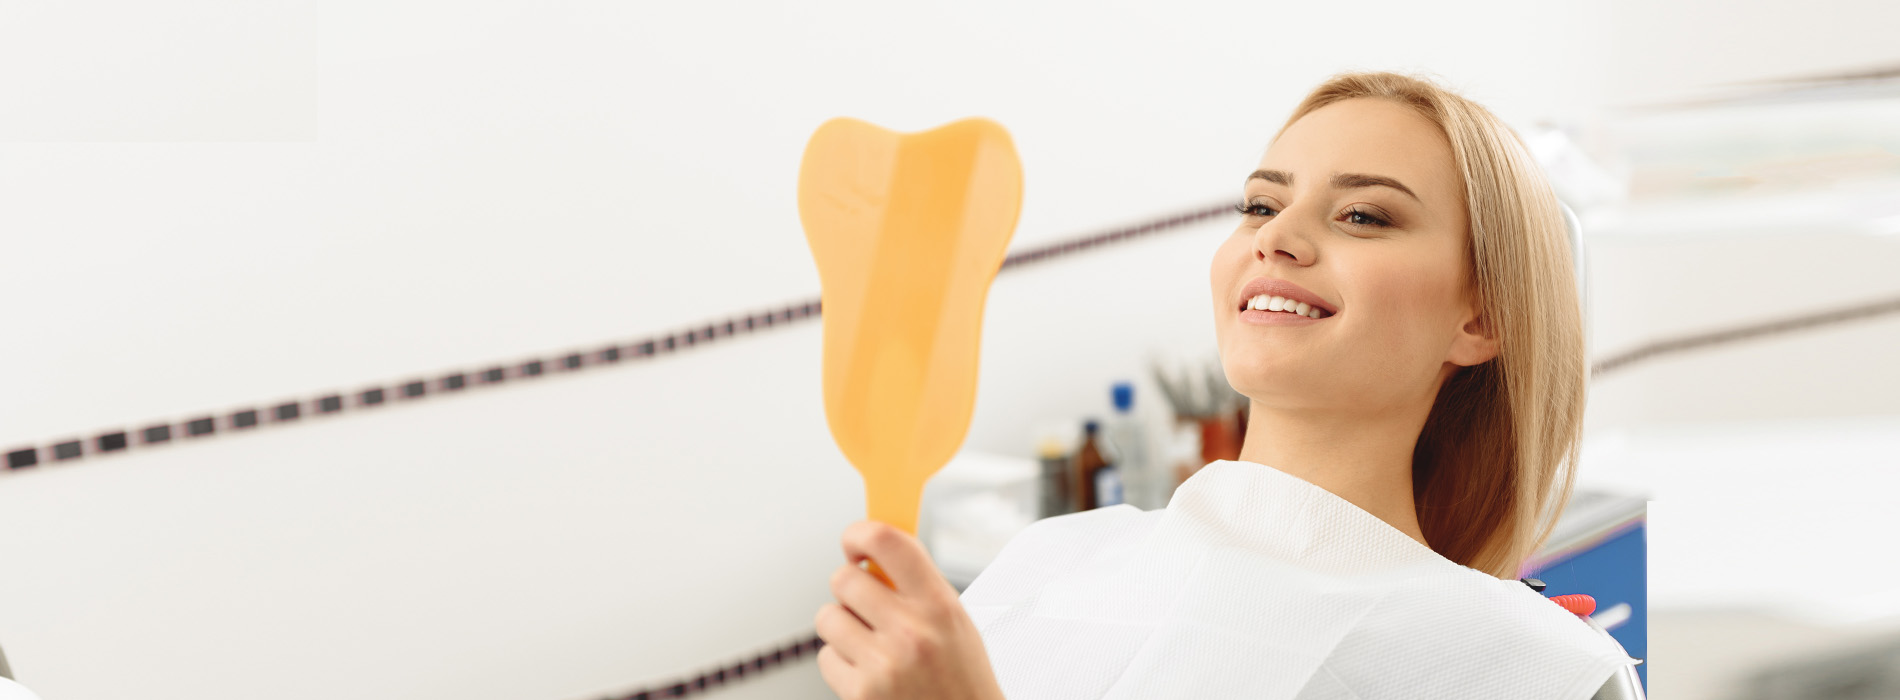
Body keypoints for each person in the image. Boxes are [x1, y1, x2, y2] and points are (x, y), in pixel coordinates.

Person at [813, 71, 1631, 699]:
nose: (1278, 236)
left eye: (1363, 216)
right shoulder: (1049, 562)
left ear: (1480, 318)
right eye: (1260, 205)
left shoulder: (1532, 672)